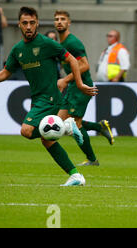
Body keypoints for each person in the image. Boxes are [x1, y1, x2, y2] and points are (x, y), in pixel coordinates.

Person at [0, 7, 98, 186]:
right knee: (47, 140)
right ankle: (75, 175)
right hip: (38, 99)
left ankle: (66, 127)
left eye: (32, 23)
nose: (28, 27)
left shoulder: (47, 44)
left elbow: (74, 60)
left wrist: (79, 84)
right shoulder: (18, 49)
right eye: (25, 23)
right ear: (19, 24)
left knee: (26, 131)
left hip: (50, 97)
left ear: (37, 24)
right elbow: (5, 73)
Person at [54, 10, 114, 168]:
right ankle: (98, 127)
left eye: (63, 19)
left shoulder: (73, 42)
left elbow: (85, 65)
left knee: (74, 125)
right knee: (61, 124)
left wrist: (65, 80)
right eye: (56, 19)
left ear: (69, 23)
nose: (59, 22)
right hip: (74, 85)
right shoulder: (62, 43)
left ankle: (92, 159)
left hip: (82, 86)